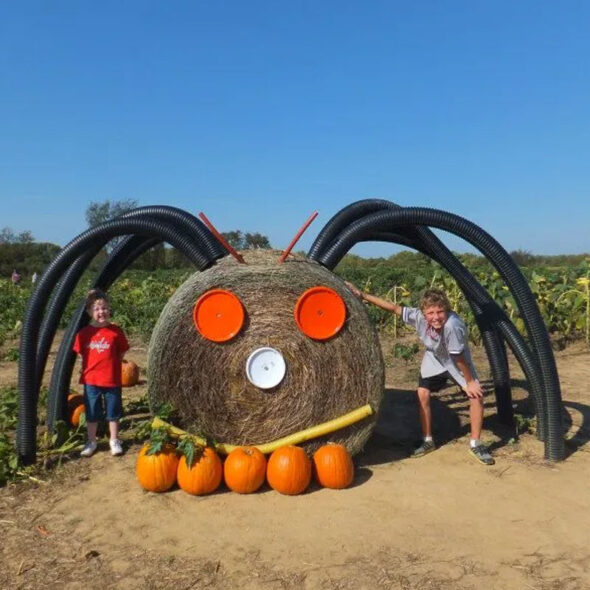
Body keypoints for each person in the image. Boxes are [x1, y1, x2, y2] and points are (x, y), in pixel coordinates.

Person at [347, 283, 494, 465]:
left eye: (440, 311)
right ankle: (427, 441)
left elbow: (457, 357)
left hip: (457, 362)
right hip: (434, 357)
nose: (436, 317)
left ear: (447, 309)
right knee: (422, 394)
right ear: (423, 312)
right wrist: (363, 295)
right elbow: (394, 308)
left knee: (475, 396)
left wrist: (470, 381)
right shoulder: (419, 317)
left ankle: (475, 443)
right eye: (431, 313)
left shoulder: (452, 326)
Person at [73, 289, 129, 458]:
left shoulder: (116, 331)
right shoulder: (83, 334)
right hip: (92, 380)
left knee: (113, 411)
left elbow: (121, 352)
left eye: (104, 308)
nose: (101, 312)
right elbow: (81, 353)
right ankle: (92, 441)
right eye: (96, 309)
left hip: (112, 379)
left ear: (109, 309)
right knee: (92, 412)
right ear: (89, 312)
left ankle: (114, 440)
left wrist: (110, 364)